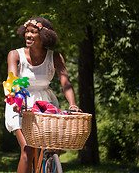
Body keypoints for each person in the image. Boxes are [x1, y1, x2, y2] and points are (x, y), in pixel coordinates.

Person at [5, 17, 82, 173]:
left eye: (33, 32)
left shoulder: (54, 57)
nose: (28, 35)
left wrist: (73, 104)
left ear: (44, 36)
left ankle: (48, 165)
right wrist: (16, 100)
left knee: (53, 148)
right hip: (20, 103)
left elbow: (65, 83)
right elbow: (12, 80)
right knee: (27, 149)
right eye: (27, 31)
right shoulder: (15, 55)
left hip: (45, 104)